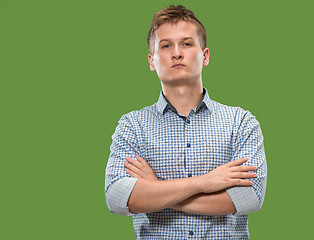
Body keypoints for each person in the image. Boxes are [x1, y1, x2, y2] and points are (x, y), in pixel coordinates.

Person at [105, 4, 267, 239]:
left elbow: (250, 197)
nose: (177, 53)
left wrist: (155, 187)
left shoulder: (241, 122)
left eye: (187, 43)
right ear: (152, 61)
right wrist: (204, 182)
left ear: (205, 56)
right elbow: (118, 198)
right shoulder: (133, 125)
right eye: (166, 45)